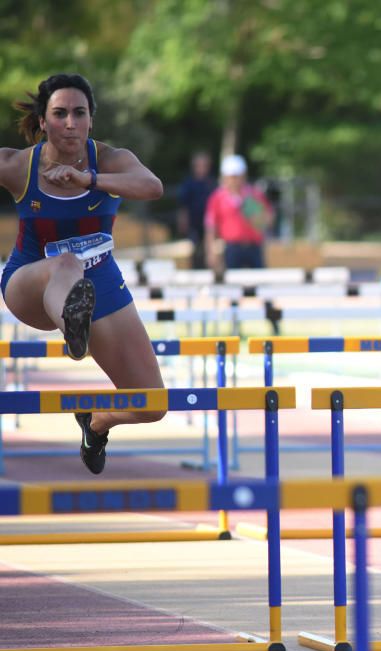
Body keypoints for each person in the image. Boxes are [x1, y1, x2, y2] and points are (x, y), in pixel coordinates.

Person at [0, 73, 166, 474]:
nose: (70, 122)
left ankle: (95, 421)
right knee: (65, 264)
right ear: (43, 122)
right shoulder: (21, 165)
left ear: (91, 120)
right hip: (31, 284)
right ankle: (74, 327)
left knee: (152, 404)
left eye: (79, 113)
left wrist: (88, 179)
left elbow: (152, 186)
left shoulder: (109, 159)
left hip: (99, 283)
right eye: (59, 114)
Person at [204, 154, 274, 271]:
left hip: (254, 247)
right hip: (231, 248)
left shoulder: (254, 194)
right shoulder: (217, 198)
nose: (234, 180)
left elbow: (267, 221)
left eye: (237, 176)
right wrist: (210, 252)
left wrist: (249, 208)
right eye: (232, 176)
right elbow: (211, 227)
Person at [176, 150, 215, 269]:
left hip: (209, 224)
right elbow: (183, 205)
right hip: (194, 222)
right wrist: (183, 221)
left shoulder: (211, 182)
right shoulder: (188, 183)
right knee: (194, 248)